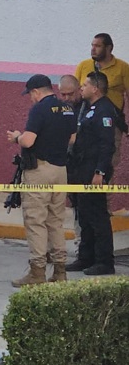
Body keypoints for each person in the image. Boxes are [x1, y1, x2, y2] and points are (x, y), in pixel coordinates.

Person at [6, 74, 76, 286]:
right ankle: (60, 270)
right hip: (60, 170)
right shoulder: (67, 108)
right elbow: (73, 138)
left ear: (36, 92)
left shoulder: (39, 109)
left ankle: (37, 271)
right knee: (56, 220)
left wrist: (16, 137)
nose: (31, 98)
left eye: (30, 94)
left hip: (40, 170)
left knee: (35, 220)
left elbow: (28, 141)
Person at [66, 72, 116, 276]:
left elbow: (107, 145)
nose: (82, 88)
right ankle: (86, 257)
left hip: (93, 170)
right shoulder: (88, 108)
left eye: (85, 85)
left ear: (95, 88)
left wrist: (100, 172)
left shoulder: (104, 110)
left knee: (97, 216)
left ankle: (104, 261)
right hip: (81, 168)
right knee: (84, 215)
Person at [75, 33, 129, 167]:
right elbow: (75, 92)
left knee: (109, 158)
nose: (93, 49)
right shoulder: (83, 65)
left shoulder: (123, 67)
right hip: (86, 120)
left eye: (98, 46)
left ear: (109, 48)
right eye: (92, 45)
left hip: (111, 121)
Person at [58, 74, 84, 256]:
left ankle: (83, 245)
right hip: (67, 162)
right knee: (74, 205)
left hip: (84, 164)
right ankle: (79, 243)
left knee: (84, 207)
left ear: (79, 90)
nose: (66, 98)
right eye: (63, 94)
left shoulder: (87, 108)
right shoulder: (60, 109)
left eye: (70, 94)